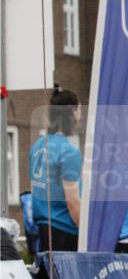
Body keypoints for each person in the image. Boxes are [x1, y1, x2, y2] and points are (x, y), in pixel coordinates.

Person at [29, 87, 82, 251]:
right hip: (64, 228)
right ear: (72, 112)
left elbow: (34, 188)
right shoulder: (69, 151)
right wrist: (86, 234)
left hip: (43, 226)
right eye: (79, 110)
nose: (81, 115)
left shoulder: (37, 146)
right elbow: (72, 201)